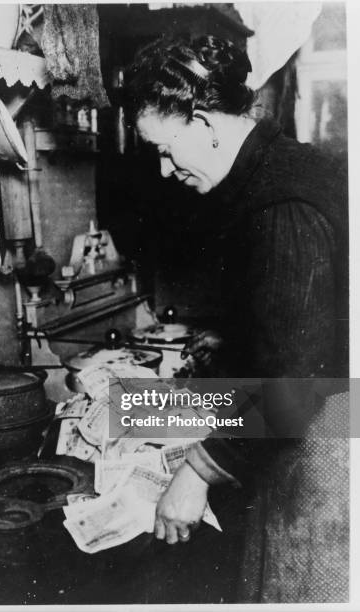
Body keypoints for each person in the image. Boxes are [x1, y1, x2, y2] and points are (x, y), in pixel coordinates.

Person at [124, 36, 348, 601]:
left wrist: (195, 473)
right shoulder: (279, 169)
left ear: (203, 124)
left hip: (328, 444)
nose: (166, 169)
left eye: (166, 149)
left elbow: (294, 386)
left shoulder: (281, 205)